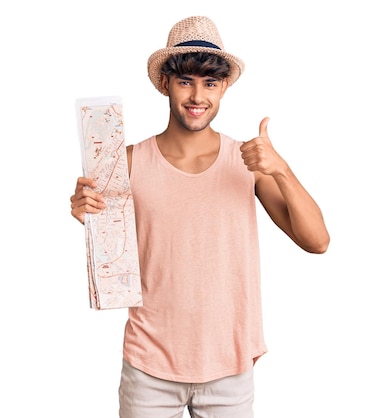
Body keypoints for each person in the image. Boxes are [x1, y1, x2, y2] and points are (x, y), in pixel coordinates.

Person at [70, 15, 330, 418]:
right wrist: (86, 215)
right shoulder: (126, 163)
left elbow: (317, 242)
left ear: (224, 87)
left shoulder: (248, 161)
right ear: (165, 84)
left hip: (229, 366)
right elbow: (108, 245)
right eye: (185, 81)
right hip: (149, 366)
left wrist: (280, 168)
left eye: (210, 83)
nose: (197, 95)